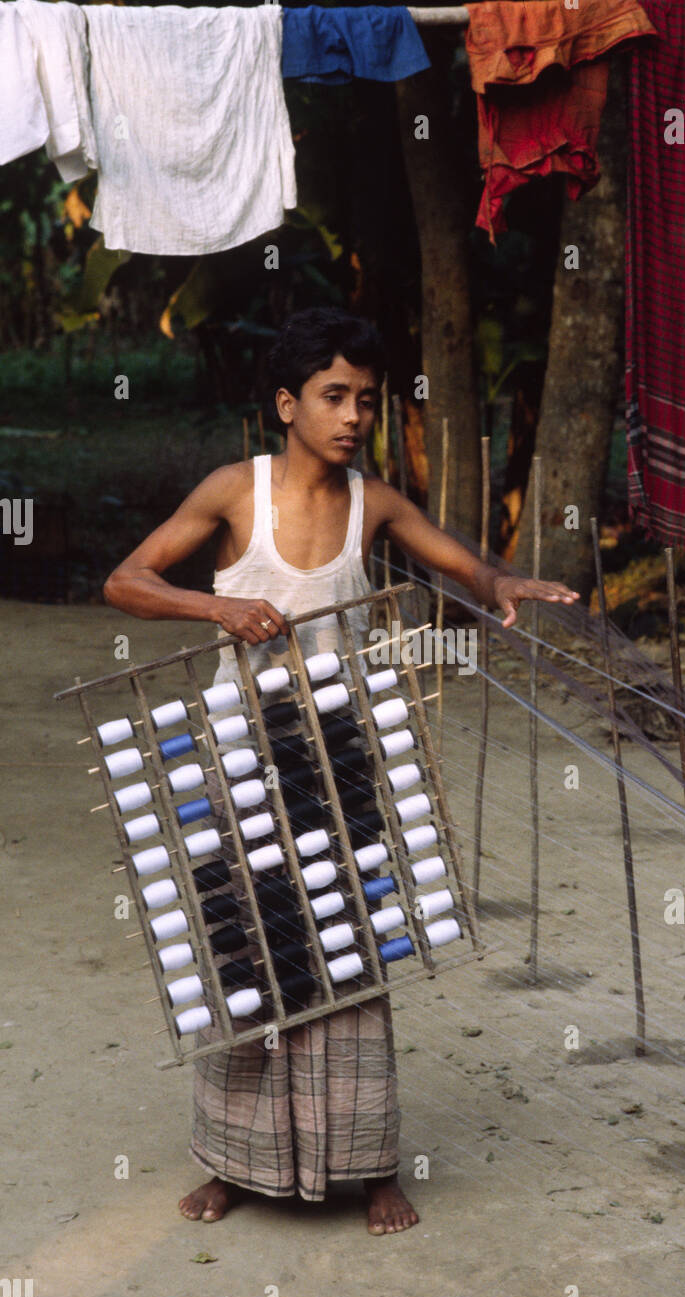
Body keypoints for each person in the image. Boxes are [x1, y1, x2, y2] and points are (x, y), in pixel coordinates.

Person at [104, 307, 579, 1235]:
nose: (353, 414)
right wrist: (217, 610)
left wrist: (502, 583)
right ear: (287, 404)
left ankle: (366, 1165)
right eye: (332, 396)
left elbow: (462, 566)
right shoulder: (235, 493)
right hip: (236, 758)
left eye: (365, 398)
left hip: (341, 761)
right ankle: (232, 1164)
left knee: (352, 950)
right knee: (242, 957)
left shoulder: (377, 505)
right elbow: (127, 581)